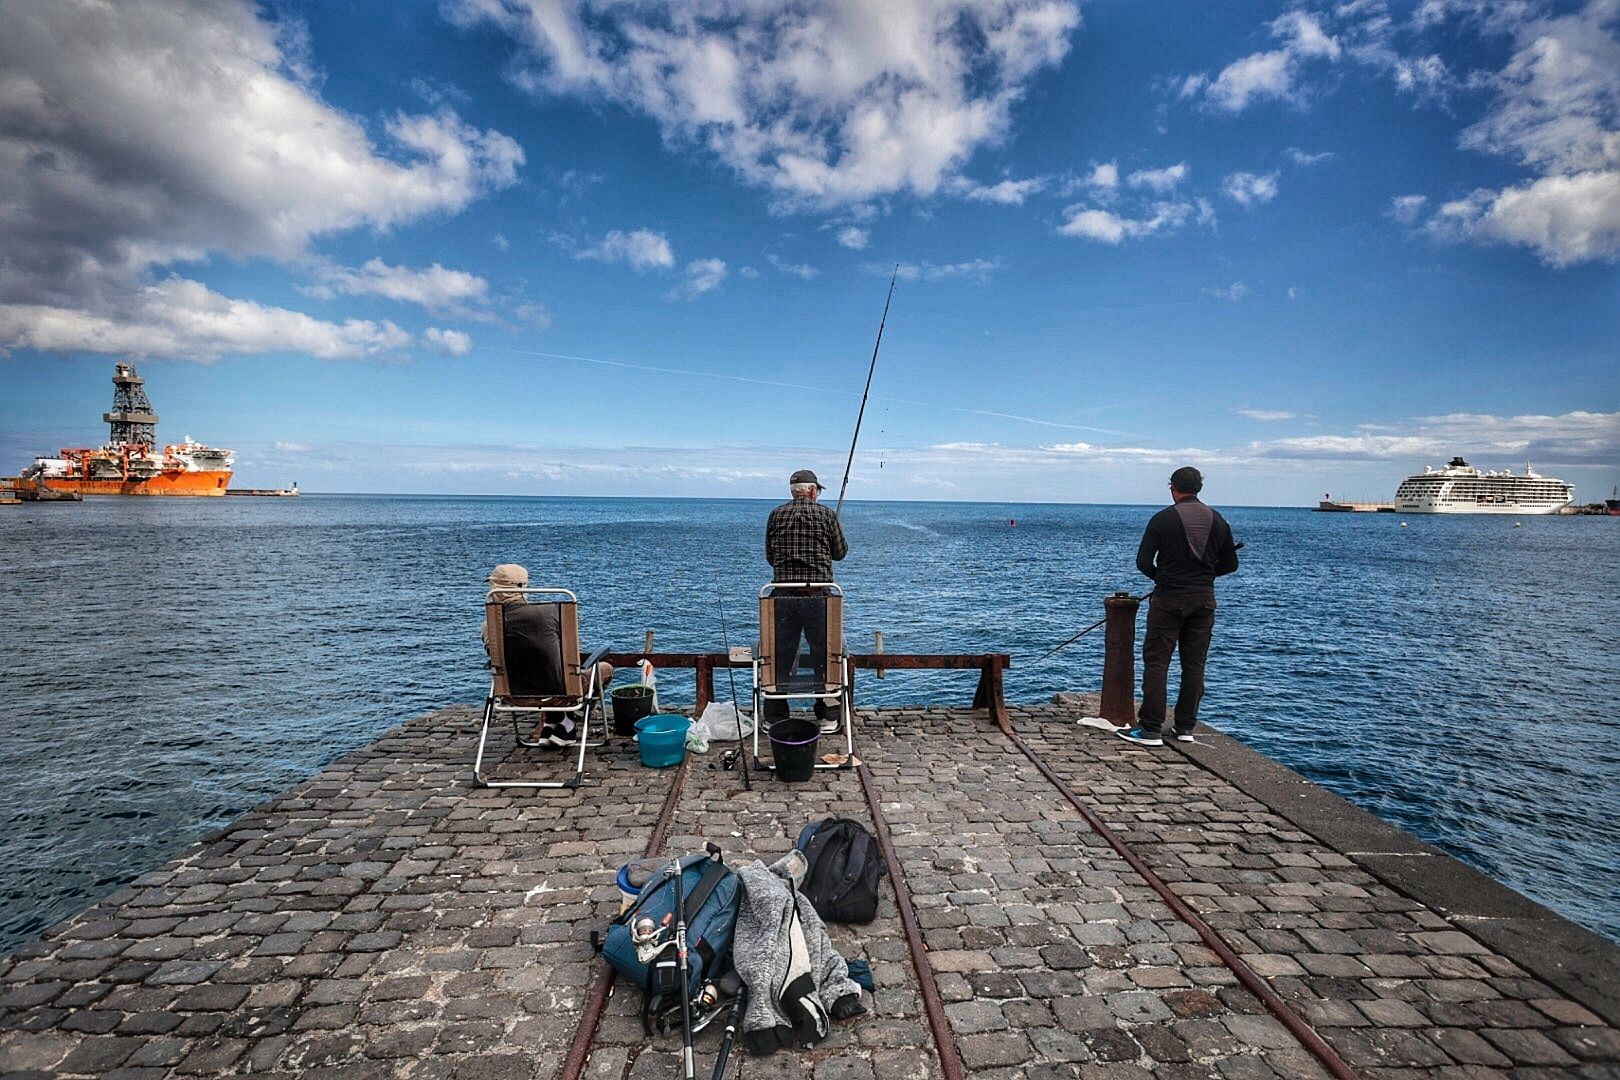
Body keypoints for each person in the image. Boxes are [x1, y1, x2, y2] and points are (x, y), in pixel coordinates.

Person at [1118, 467, 1239, 747]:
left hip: (1169, 598)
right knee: (1195, 665)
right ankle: (1184, 727)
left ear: (1172, 487)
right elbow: (1231, 564)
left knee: (1158, 662)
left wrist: (1164, 578)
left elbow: (1144, 562)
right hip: (1204, 599)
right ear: (1200, 487)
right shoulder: (1218, 520)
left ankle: (1149, 728)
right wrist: (1204, 575)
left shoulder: (1162, 519)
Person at [483, 563, 613, 746]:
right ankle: (569, 722)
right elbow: (569, 657)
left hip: (513, 695)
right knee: (604, 669)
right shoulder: (550, 616)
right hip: (562, 692)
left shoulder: (490, 626)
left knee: (543, 675)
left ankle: (561, 725)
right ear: (523, 586)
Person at [764, 469, 849, 733]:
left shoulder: (775, 515)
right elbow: (840, 553)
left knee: (780, 654)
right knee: (825, 655)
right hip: (819, 598)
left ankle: (775, 715)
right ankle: (827, 715)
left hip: (782, 598)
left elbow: (770, 556)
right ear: (813, 491)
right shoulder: (826, 515)